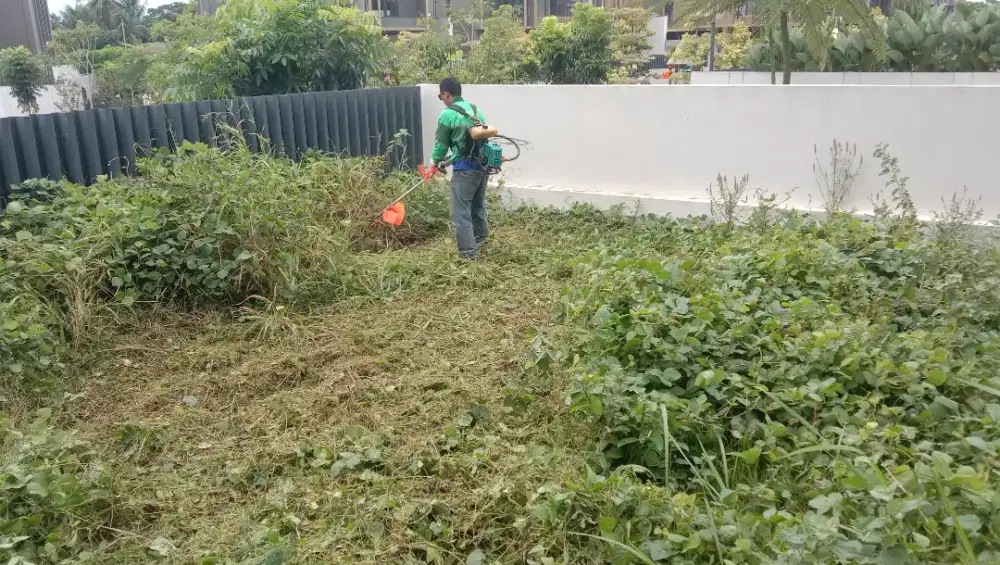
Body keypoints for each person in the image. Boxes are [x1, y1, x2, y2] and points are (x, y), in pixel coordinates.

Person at [431, 77, 490, 260]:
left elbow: (441, 145)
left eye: (441, 96)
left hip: (464, 170)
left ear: (446, 94)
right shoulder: (476, 110)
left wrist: (436, 161)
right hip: (483, 166)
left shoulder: (447, 115)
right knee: (477, 206)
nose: (442, 100)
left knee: (460, 213)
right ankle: (480, 240)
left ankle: (468, 254)